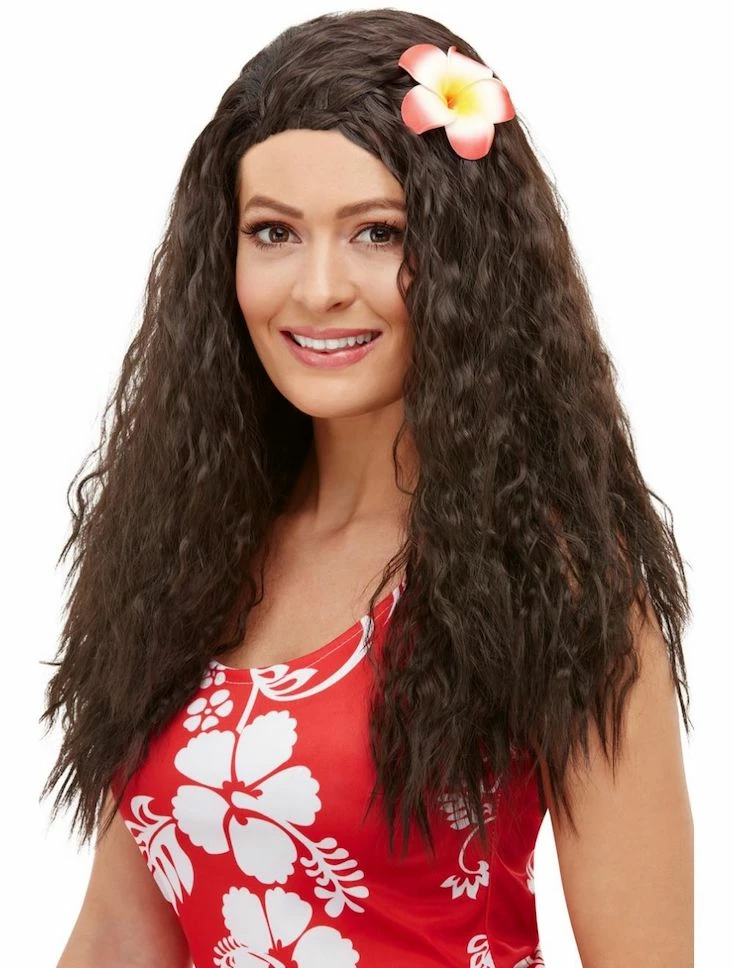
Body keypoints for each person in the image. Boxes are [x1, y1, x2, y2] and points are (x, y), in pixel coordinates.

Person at [43, 8, 693, 967]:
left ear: (469, 263)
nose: (317, 289)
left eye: (378, 233)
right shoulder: (185, 554)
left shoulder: (558, 580)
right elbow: (116, 939)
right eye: (273, 232)